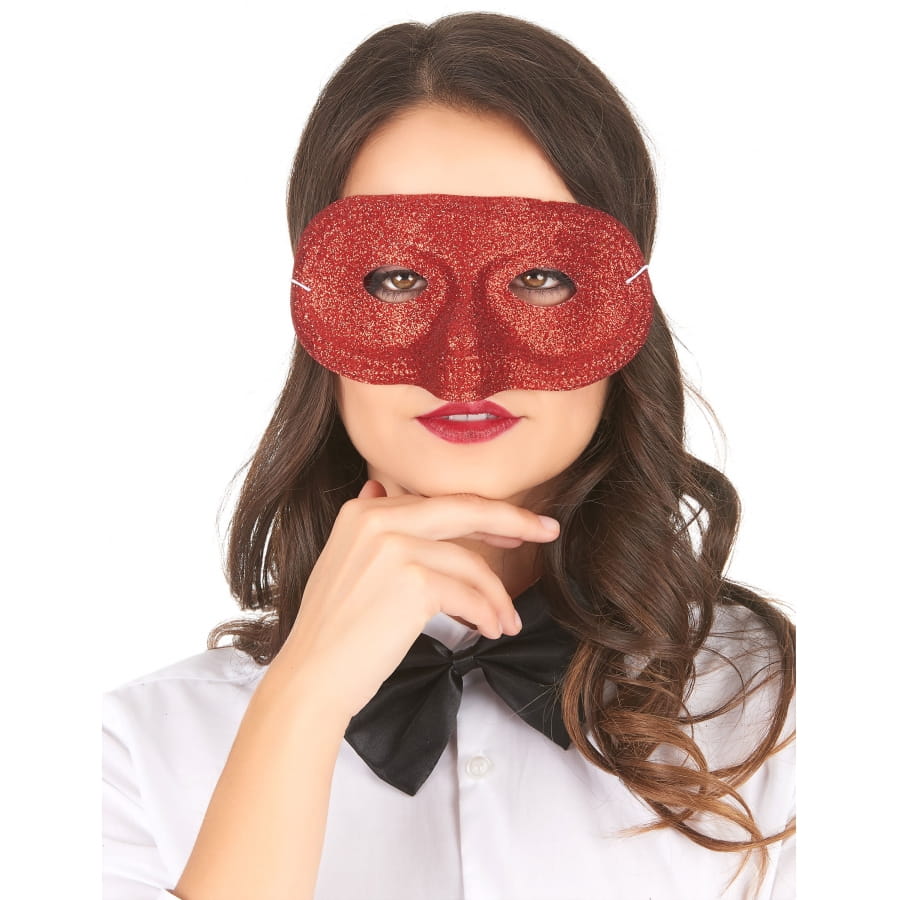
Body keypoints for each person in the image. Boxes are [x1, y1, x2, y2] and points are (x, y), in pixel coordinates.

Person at [102, 12, 795, 900]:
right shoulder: (132, 756)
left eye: (540, 277)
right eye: (395, 279)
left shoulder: (790, 722)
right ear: (313, 309)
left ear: (628, 308)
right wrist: (301, 705)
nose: (463, 364)